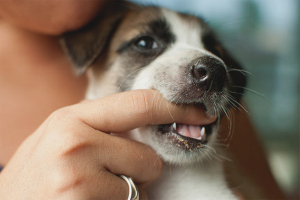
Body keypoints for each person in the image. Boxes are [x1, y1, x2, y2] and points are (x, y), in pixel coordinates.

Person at [0, 0, 286, 199]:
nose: (207, 68)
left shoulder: (220, 120)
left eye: (213, 52)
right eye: (145, 44)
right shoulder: (111, 32)